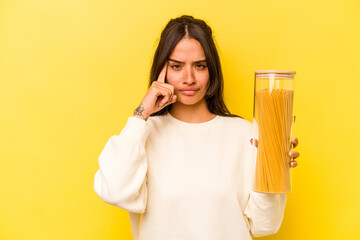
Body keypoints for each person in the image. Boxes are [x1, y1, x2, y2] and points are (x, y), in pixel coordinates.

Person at [94, 15, 300, 240]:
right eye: (176, 66)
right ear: (161, 72)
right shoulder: (143, 134)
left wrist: (274, 167)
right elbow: (114, 190)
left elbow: (264, 225)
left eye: (199, 66)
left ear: (211, 70)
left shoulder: (246, 135)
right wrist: (141, 114)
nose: (188, 78)